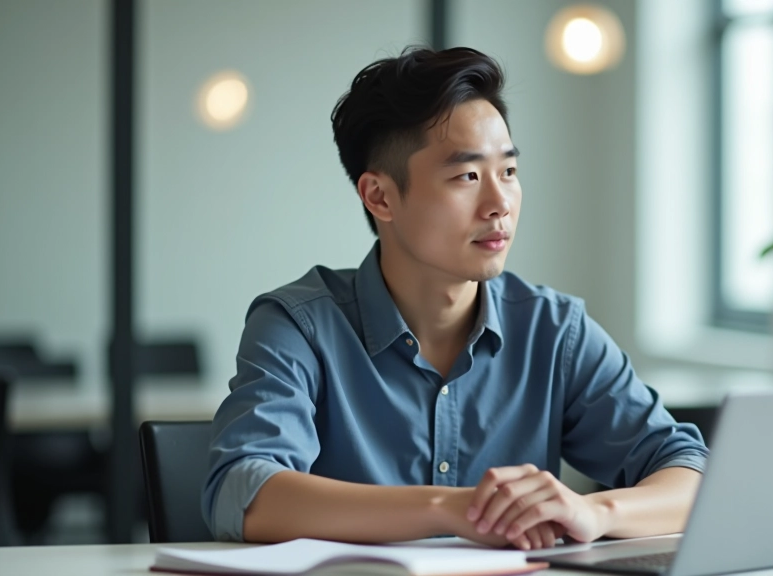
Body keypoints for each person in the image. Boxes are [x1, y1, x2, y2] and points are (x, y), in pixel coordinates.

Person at [202, 46, 707, 551]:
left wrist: (592, 510)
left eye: (508, 172)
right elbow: (245, 493)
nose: (499, 204)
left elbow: (691, 472)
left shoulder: (553, 330)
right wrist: (451, 507)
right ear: (379, 196)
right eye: (467, 176)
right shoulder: (299, 326)